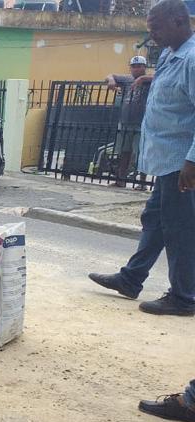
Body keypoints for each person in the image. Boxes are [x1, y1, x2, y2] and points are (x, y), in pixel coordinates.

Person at [88, 0, 195, 317]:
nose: (153, 36)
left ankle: (184, 297)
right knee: (156, 222)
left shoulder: (191, 59)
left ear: (179, 21)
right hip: (165, 161)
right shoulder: (170, 54)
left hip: (181, 163)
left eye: (156, 28)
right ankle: (131, 278)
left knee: (180, 229)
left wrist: (192, 160)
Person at [105, 55, 152, 187]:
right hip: (125, 121)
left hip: (141, 122)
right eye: (134, 66)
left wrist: (143, 78)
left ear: (144, 67)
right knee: (124, 152)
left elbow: (161, 77)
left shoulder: (149, 81)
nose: (136, 69)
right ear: (130, 68)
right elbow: (110, 75)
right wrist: (111, 81)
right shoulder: (126, 79)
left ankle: (141, 182)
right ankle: (121, 180)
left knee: (141, 153)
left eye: (139, 66)